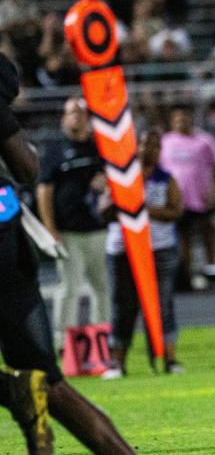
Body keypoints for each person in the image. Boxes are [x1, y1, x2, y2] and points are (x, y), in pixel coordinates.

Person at [0, 54, 134, 454]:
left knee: (35, 382)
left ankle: (15, 390)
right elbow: (27, 168)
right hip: (6, 237)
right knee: (50, 381)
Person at [101, 129, 185, 378]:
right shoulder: (120, 176)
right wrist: (123, 203)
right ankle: (117, 363)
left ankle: (169, 359)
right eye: (145, 143)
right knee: (123, 306)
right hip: (122, 248)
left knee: (163, 304)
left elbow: (175, 210)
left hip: (159, 248)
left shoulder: (166, 178)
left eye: (155, 145)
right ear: (134, 146)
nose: (150, 149)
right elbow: (104, 210)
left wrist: (144, 210)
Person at [37, 96, 111, 350]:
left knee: (101, 286)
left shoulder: (98, 148)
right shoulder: (56, 151)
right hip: (68, 231)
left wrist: (105, 184)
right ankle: (62, 341)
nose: (77, 116)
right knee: (69, 287)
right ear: (63, 118)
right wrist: (50, 228)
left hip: (98, 229)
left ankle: (101, 338)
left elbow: (114, 182)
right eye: (72, 112)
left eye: (81, 112)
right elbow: (44, 190)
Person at [160, 105, 215, 290]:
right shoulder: (166, 142)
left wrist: (213, 190)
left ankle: (211, 272)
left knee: (208, 233)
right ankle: (186, 275)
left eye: (184, 118)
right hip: (177, 200)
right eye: (177, 119)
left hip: (201, 197)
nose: (181, 122)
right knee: (183, 238)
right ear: (172, 122)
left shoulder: (205, 140)